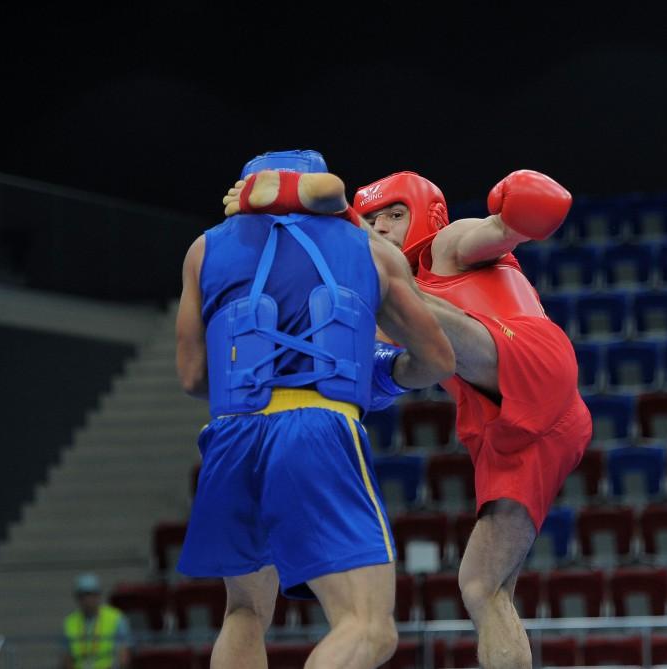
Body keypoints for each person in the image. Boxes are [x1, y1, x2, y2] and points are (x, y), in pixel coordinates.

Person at [224, 167, 592, 669]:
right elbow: (374, 383)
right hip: (515, 431)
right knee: (482, 587)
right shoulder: (384, 313)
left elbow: (516, 224)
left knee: (396, 291)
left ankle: (310, 206)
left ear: (426, 216)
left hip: (533, 363)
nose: (382, 228)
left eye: (394, 215)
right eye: (371, 220)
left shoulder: (449, 245)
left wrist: (517, 212)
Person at [176, 150, 454, 669]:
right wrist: (382, 374)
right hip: (316, 429)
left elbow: (193, 378)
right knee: (369, 628)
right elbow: (438, 358)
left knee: (243, 613)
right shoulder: (367, 249)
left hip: (230, 436)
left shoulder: (202, 250)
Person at [60, 573, 130, 669]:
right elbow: (66, 658)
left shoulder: (116, 618)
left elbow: (123, 655)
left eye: (91, 594)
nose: (88, 599)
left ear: (98, 595)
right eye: (83, 595)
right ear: (78, 598)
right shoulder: (69, 622)